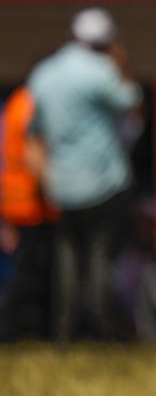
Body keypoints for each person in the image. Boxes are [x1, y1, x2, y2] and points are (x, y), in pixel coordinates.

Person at [27, 7, 142, 341]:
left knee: (67, 262)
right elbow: (130, 101)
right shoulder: (100, 69)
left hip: (61, 185)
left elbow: (34, 130)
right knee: (100, 260)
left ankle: (65, 333)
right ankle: (105, 333)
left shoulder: (44, 73)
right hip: (103, 183)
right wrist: (122, 65)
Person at [0, 85, 57, 341]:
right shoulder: (29, 105)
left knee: (24, 269)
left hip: (16, 198)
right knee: (25, 272)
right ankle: (10, 330)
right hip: (28, 201)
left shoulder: (15, 102)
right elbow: (32, 154)